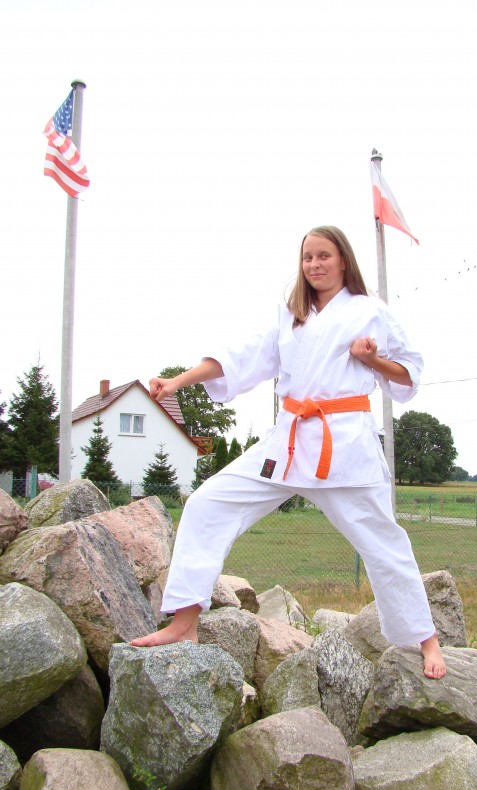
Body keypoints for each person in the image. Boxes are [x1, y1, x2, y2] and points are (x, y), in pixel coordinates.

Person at [131, 226, 446, 679]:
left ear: (343, 260)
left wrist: (371, 359)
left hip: (344, 448)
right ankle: (183, 623)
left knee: (384, 542)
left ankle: (425, 640)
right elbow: (240, 358)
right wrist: (179, 381)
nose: (314, 264)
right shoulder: (290, 316)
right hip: (290, 440)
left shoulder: (370, 311)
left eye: (323, 255)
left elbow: (409, 372)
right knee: (207, 504)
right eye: (307, 257)